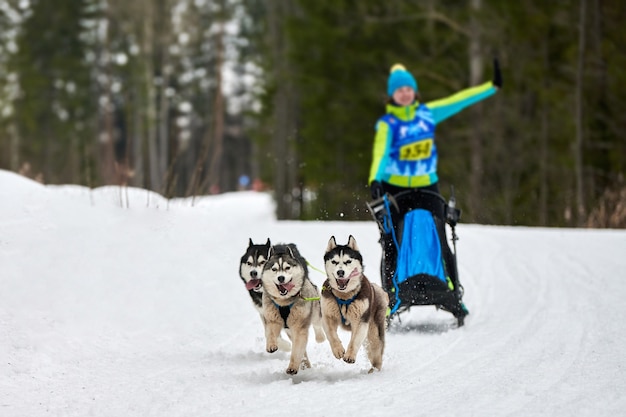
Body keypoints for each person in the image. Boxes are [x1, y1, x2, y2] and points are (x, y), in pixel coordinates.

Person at [369, 59, 502, 313]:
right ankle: (391, 295)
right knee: (390, 240)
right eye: (399, 90)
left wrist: (491, 87)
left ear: (414, 91)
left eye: (408, 89)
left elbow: (460, 100)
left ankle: (453, 292)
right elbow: (380, 153)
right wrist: (375, 179)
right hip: (395, 190)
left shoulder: (427, 113)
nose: (405, 93)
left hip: (428, 187)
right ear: (392, 95)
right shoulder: (388, 124)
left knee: (442, 236)